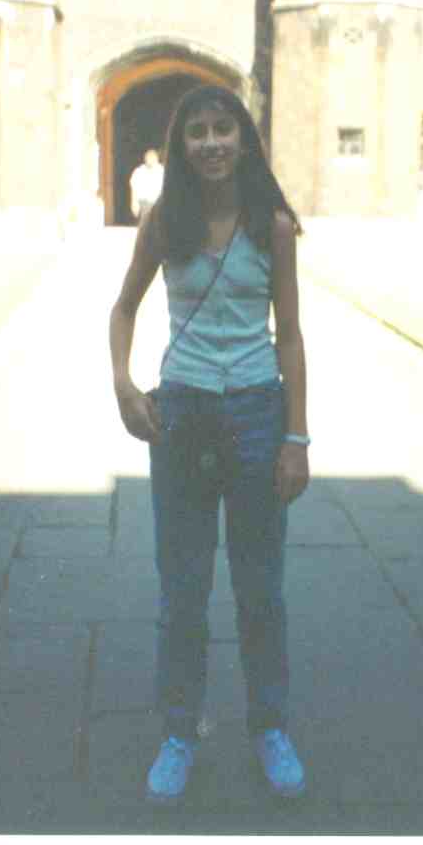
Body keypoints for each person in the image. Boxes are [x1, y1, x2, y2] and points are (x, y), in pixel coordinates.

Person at [109, 84, 310, 804]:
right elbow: (123, 308)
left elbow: (289, 337)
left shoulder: (273, 226)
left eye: (223, 128)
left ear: (244, 139)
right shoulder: (165, 222)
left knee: (260, 591)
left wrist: (296, 437)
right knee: (183, 592)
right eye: (196, 131)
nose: (211, 142)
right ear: (181, 145)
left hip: (257, 411)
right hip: (184, 414)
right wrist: (124, 384)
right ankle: (178, 734)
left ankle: (270, 728)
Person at [129, 147, 164, 222]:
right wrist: (134, 203)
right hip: (144, 204)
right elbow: (134, 189)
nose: (150, 160)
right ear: (145, 159)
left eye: (153, 158)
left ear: (157, 159)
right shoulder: (139, 172)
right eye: (149, 158)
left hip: (158, 204)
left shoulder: (162, 171)